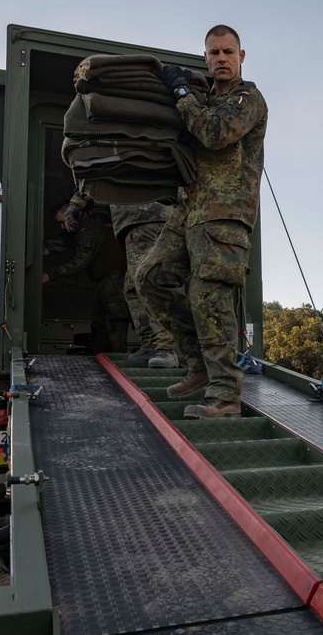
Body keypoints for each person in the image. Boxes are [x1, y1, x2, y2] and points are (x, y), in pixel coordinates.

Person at [138, 24, 267, 419]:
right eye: (214, 53)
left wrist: (180, 94)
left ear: (241, 56)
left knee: (210, 299)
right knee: (151, 276)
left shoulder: (248, 98)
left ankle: (225, 397)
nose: (221, 59)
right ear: (206, 57)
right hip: (190, 210)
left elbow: (215, 133)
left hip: (224, 216)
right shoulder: (205, 98)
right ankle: (196, 366)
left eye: (228, 52)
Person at [44, 199, 130, 353]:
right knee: (99, 320)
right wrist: (42, 245)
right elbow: (61, 243)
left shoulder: (87, 229)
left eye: (63, 222)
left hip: (114, 278)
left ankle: (118, 357)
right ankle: (104, 355)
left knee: (115, 317)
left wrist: (52, 274)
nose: (62, 227)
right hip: (105, 280)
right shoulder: (77, 232)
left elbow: (81, 260)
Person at [110, 201, 178, 368]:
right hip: (141, 218)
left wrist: (77, 203)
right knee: (132, 289)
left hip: (143, 216)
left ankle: (164, 347)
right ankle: (150, 345)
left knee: (147, 283)